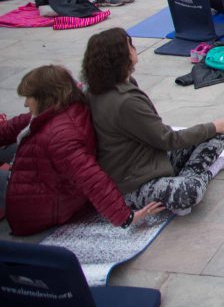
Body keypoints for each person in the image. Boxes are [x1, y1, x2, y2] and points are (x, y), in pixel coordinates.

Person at [0, 65, 163, 236]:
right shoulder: (63, 108)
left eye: (29, 97)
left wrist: (126, 217)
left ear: (45, 97)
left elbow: (92, 179)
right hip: (48, 179)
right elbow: (13, 127)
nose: (25, 103)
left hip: (38, 205)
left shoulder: (60, 136)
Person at [85, 29, 224, 214]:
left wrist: (212, 129)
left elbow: (159, 137)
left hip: (152, 158)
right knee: (189, 191)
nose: (134, 48)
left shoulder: (112, 87)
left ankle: (187, 178)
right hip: (134, 183)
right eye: (130, 45)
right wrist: (211, 127)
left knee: (218, 133)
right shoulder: (124, 101)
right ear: (120, 56)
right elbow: (167, 139)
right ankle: (205, 174)